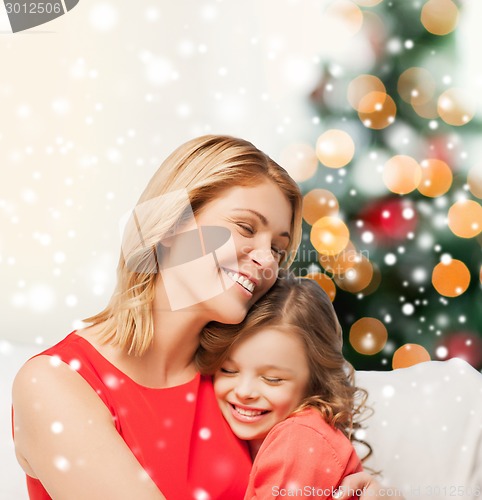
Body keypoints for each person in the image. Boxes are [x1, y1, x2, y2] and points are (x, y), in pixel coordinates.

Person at [12, 134, 399, 500]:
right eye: (246, 227)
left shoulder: (238, 386)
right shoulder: (53, 383)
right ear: (169, 225)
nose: (267, 261)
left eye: (279, 250)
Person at [197, 274, 369, 499]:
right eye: (228, 370)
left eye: (272, 379)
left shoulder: (300, 440)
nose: (244, 391)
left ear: (315, 382)